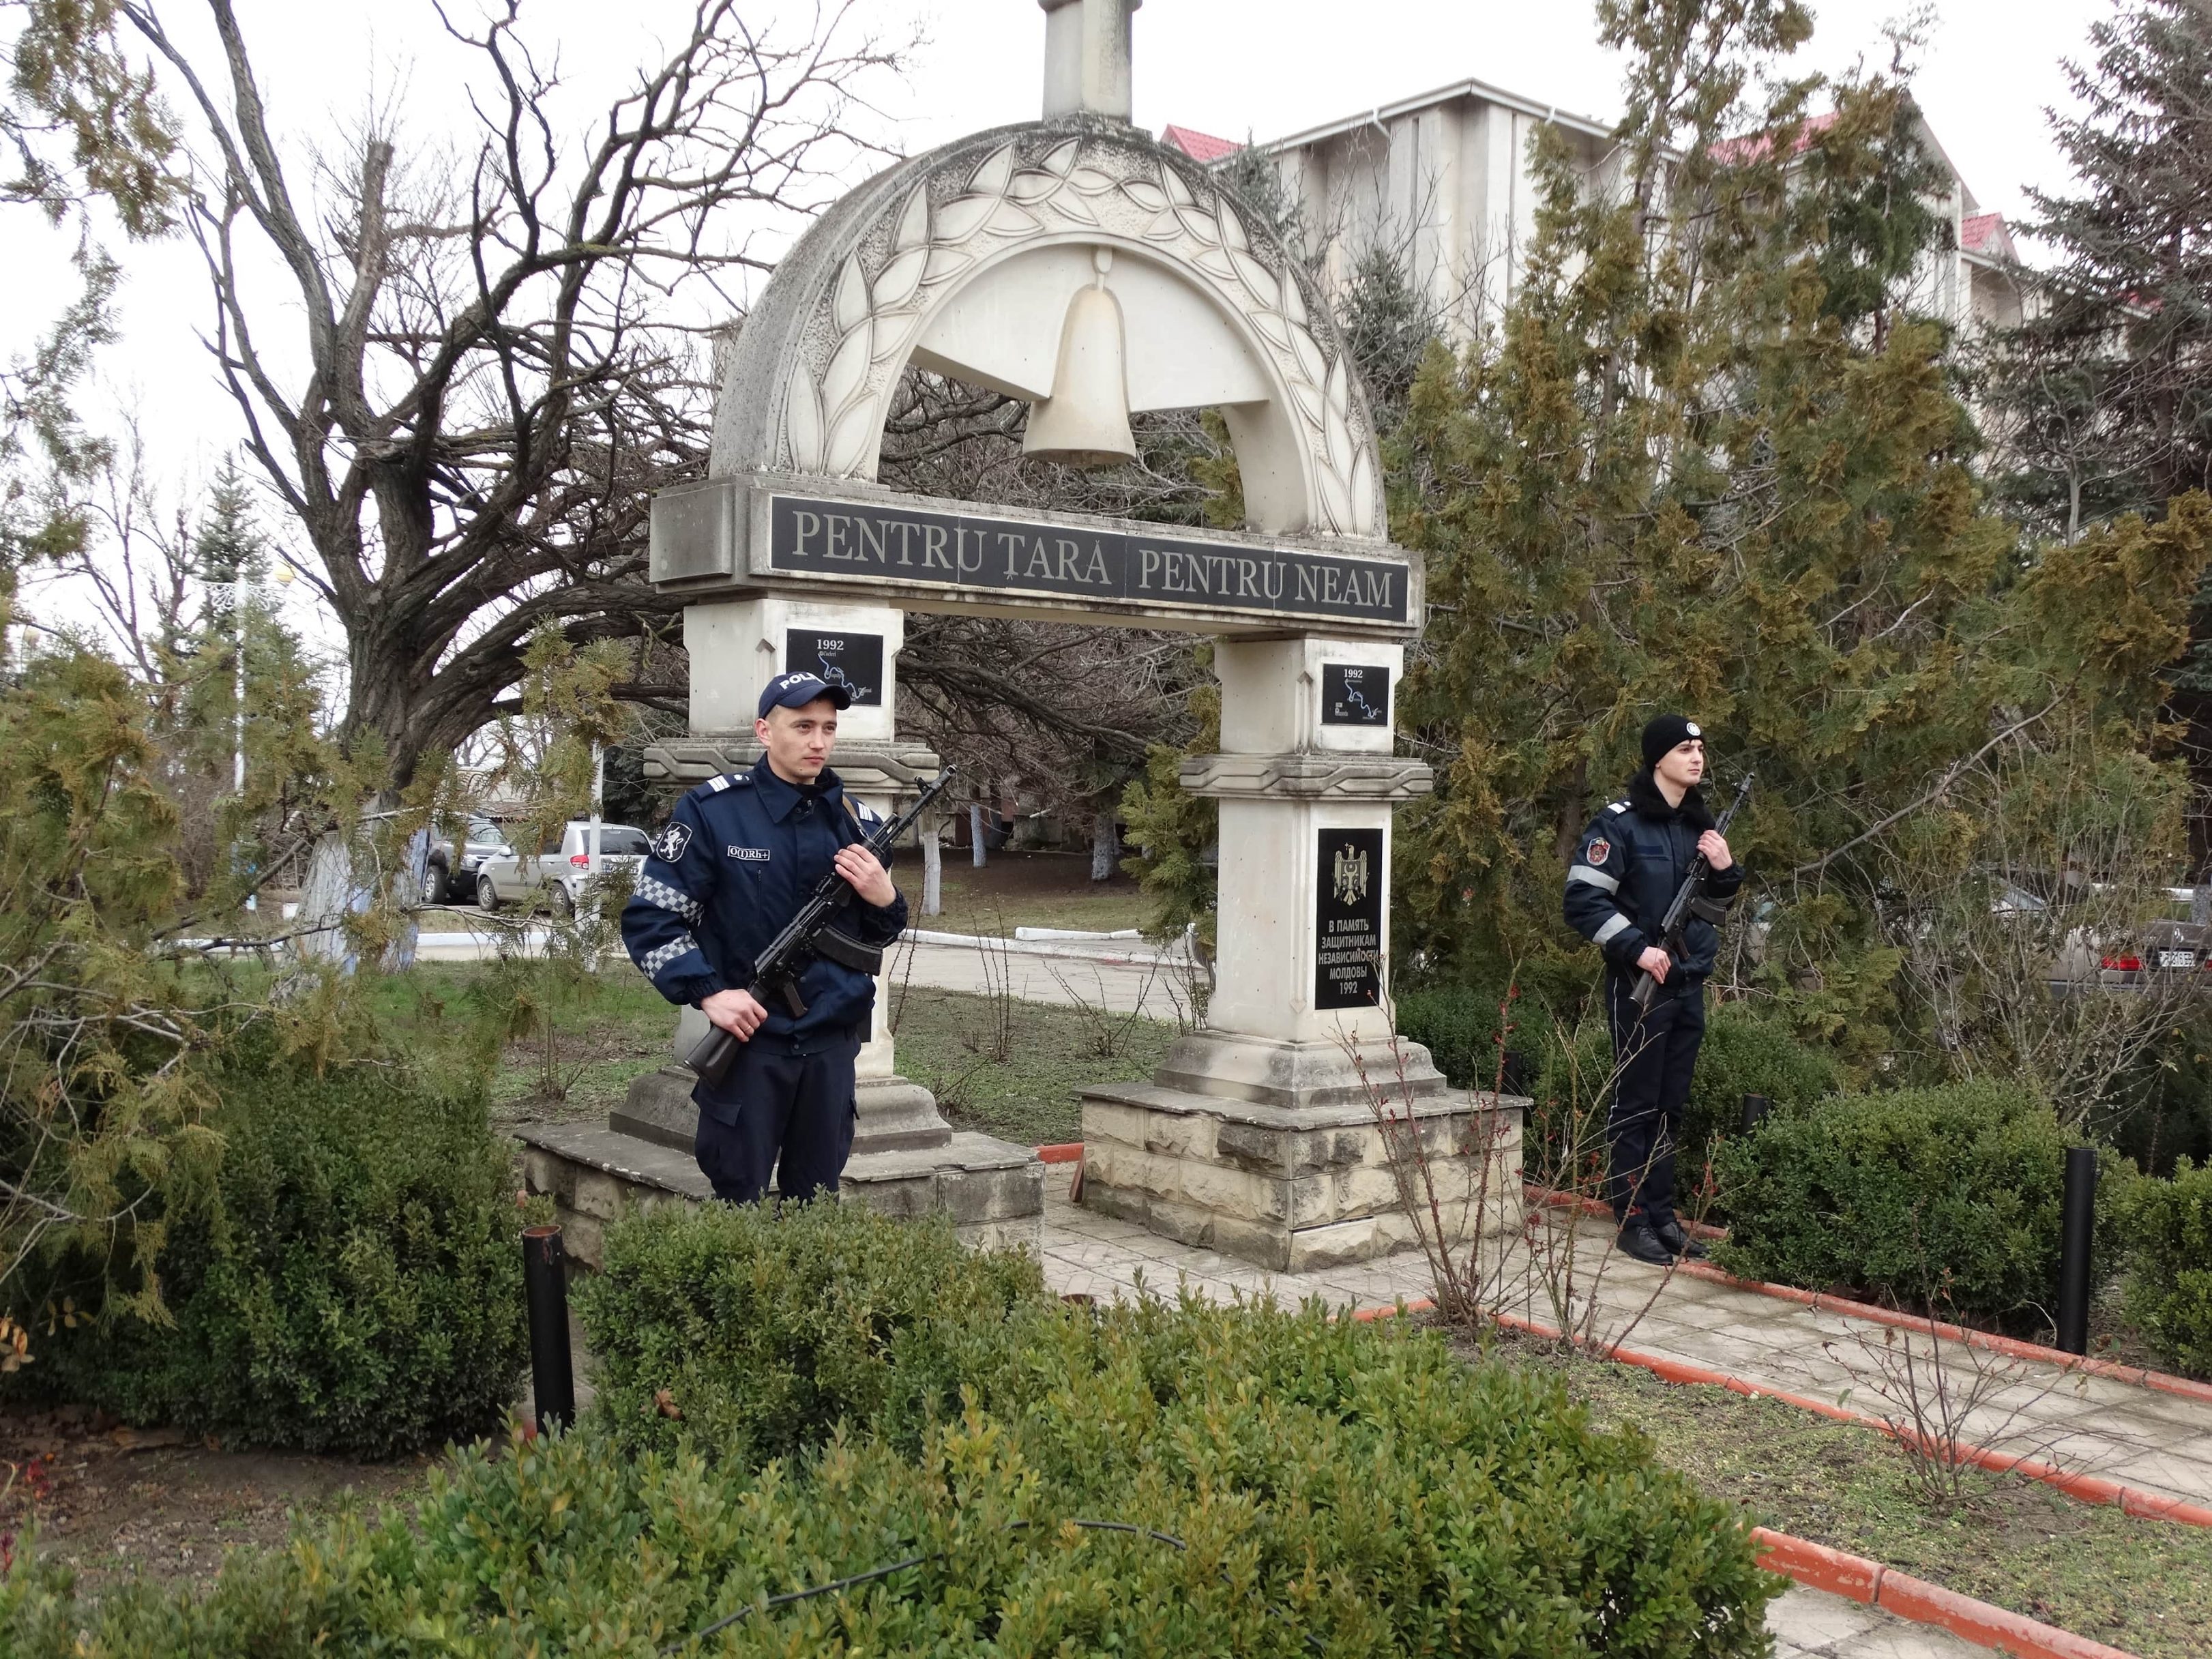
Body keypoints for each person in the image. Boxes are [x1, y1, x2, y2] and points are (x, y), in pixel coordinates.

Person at [621, 671, 909, 1204]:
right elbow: (650, 920)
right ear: (764, 731)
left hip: (830, 1048)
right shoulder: (713, 813)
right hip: (751, 1045)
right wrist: (708, 992)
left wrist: (884, 897)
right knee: (737, 1198)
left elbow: (877, 934)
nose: (818, 741)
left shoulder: (860, 825)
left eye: (828, 728)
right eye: (802, 726)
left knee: (815, 1202)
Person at [1561, 714, 1742, 1265]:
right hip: (1638, 984)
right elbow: (1582, 901)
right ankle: (1632, 1219)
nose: (1696, 758)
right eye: (1684, 749)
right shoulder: (1619, 824)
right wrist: (1637, 949)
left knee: (1670, 1107)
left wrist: (1725, 868)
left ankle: (1662, 1216)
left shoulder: (1698, 827)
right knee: (1636, 1105)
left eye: (1700, 749)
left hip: (1686, 985)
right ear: (1657, 758)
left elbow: (1714, 905)